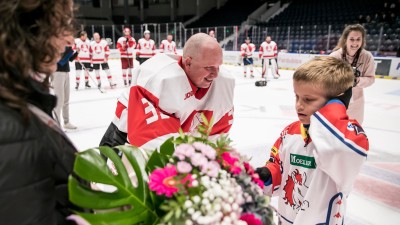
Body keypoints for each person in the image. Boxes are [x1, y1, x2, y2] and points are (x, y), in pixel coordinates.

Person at [255, 57, 369, 225]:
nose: (299, 105)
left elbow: (345, 149)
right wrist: (267, 175)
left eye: (308, 100)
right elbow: (278, 166)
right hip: (286, 219)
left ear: (335, 102)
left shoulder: (348, 137)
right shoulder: (290, 132)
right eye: (297, 97)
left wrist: (338, 105)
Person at [0, 0, 78, 224]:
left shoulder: (19, 94)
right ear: (29, 28)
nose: (70, 38)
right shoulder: (10, 127)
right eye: (62, 24)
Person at [100, 33, 235, 150]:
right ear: (188, 63)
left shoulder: (224, 83)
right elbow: (155, 146)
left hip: (177, 139)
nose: (215, 74)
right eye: (209, 67)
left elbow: (215, 139)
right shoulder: (159, 79)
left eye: (219, 66)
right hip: (124, 138)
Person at [330, 24, 375, 124]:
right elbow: (326, 78)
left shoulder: (367, 57)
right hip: (336, 100)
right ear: (345, 39)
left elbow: (371, 79)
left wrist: (357, 81)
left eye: (358, 39)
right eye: (352, 39)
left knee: (354, 130)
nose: (355, 43)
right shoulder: (335, 56)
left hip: (356, 102)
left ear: (362, 40)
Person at [51, 46, 78, 130]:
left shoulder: (65, 46)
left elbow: (69, 59)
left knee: (66, 99)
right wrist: (70, 50)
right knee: (59, 100)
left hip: (66, 72)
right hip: (57, 73)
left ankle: (66, 122)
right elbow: (61, 61)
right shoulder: (55, 45)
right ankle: (57, 124)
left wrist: (76, 52)